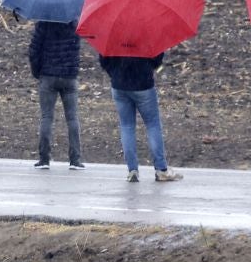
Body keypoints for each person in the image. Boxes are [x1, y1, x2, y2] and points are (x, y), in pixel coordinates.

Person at [98, 51, 181, 183]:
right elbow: (157, 57)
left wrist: (114, 74)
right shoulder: (146, 33)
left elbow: (103, 59)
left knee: (126, 126)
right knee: (153, 125)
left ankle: (132, 170)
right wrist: (147, 68)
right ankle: (161, 170)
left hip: (119, 85)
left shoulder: (114, 33)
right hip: (143, 84)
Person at [28, 16, 84, 171]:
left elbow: (34, 50)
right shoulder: (75, 25)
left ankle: (44, 159)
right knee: (72, 118)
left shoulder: (43, 24)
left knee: (47, 117)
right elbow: (75, 50)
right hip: (69, 77)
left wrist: (37, 71)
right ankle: (75, 160)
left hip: (48, 76)